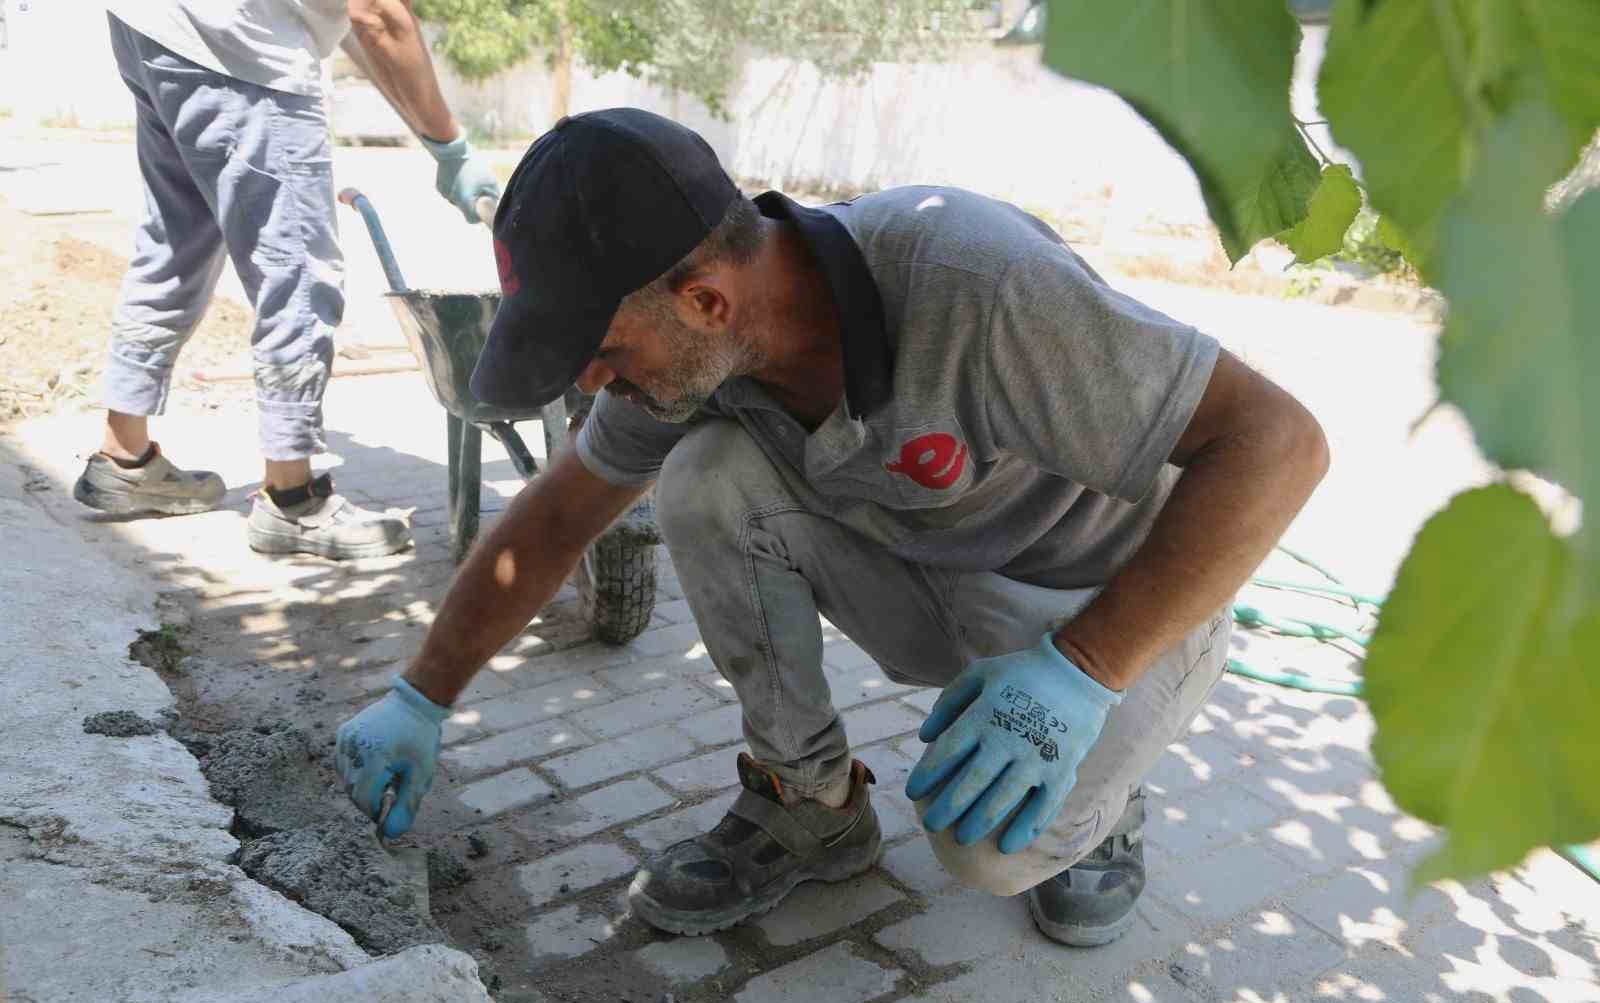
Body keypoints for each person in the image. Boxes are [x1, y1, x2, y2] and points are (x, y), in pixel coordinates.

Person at [334, 108, 1329, 945]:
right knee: (706, 477)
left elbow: (1279, 443)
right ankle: (807, 803)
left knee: (989, 853)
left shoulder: (976, 283)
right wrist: (419, 697)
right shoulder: (693, 354)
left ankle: (1108, 804)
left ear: (706, 298)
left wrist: (1084, 670)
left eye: (598, 348)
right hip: (931, 570)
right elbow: (554, 519)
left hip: (1110, 604)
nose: (593, 380)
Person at [74, 0, 500, 560]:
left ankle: (124, 458)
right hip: (240, 50)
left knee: (176, 243)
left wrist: (435, 141)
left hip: (156, 26)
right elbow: (374, 13)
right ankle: (293, 499)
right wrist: (450, 148)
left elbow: (354, 21)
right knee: (296, 270)